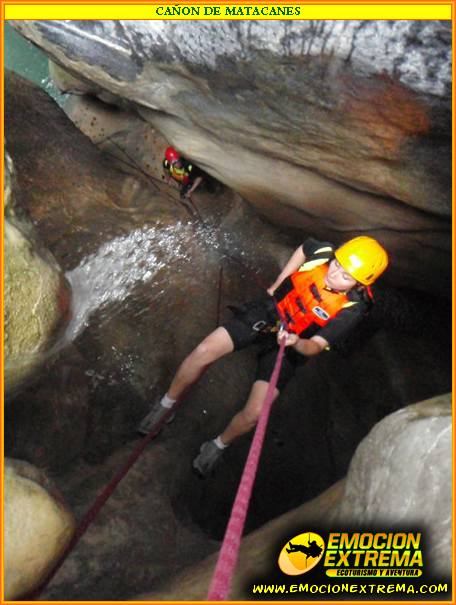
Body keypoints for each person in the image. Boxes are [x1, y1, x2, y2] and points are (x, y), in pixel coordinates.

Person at [138, 236, 389, 476]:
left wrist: (295, 342)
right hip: (269, 313)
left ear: (359, 285)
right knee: (204, 351)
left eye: (346, 276)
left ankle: (218, 445)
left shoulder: (352, 309)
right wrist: (281, 280)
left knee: (256, 412)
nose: (334, 274)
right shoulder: (323, 253)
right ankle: (166, 406)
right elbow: (304, 247)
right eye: (337, 264)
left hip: (291, 345)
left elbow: (315, 345)